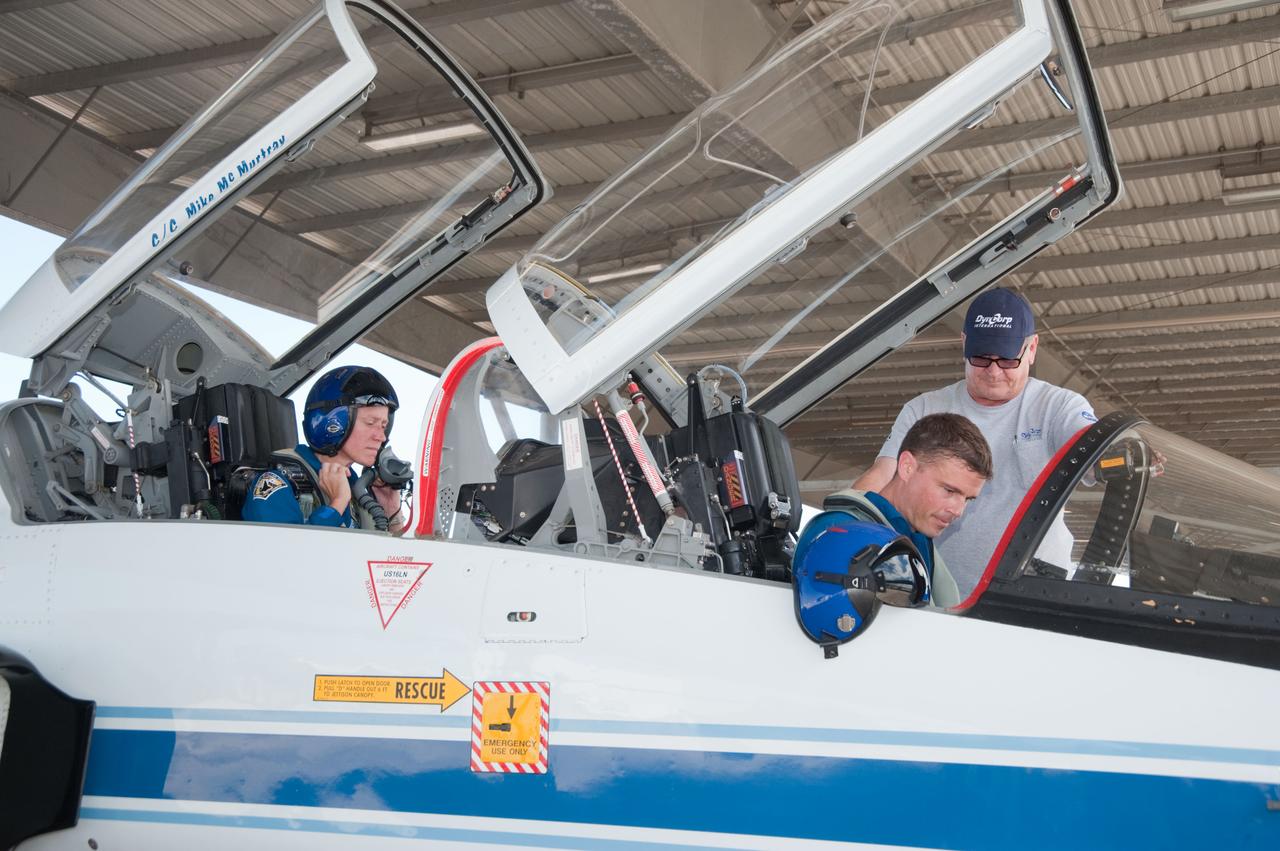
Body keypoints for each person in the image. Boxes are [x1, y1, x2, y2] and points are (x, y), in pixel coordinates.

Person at [851, 287, 1096, 596]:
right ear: (964, 344)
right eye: (981, 359)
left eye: (1007, 360)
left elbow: (1093, 447)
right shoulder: (924, 409)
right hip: (942, 590)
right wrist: (845, 523)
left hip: (1033, 589)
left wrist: (1122, 452)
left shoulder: (1058, 407)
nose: (993, 372)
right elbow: (882, 477)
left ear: (1031, 349)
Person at [827, 413, 992, 609]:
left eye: (967, 499)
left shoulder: (919, 543)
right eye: (949, 490)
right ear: (907, 467)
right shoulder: (847, 536)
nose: (958, 511)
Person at [242, 365, 407, 533]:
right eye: (370, 423)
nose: (381, 437)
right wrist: (337, 504)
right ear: (334, 422)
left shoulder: (356, 491)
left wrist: (390, 510)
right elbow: (281, 555)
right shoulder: (276, 485)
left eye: (383, 426)